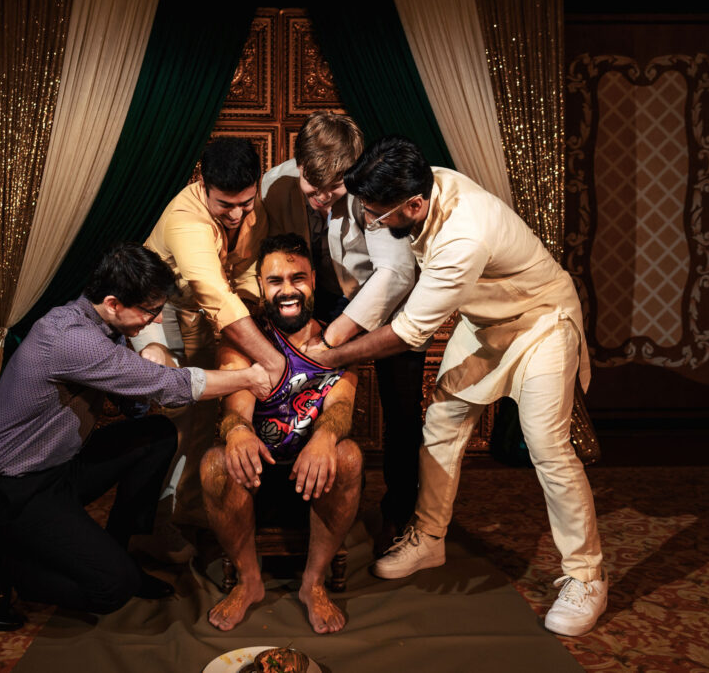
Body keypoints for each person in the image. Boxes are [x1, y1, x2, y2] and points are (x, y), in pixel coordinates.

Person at [305, 136, 607, 637]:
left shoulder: (463, 237)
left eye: (379, 216)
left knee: (547, 445)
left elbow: (408, 334)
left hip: (541, 322)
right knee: (442, 420)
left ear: (414, 205)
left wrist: (332, 357)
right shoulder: (423, 181)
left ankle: (585, 576)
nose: (373, 223)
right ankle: (428, 536)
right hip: (486, 320)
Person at [0, 243, 270, 631]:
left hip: (57, 469)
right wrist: (248, 377)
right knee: (111, 589)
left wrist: (150, 358)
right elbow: (168, 387)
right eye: (149, 311)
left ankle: (123, 548)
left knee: (155, 435)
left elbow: (138, 403)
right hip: (8, 490)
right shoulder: (69, 337)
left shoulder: (101, 325)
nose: (154, 320)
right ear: (112, 302)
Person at [260, 112, 421, 550]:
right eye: (315, 190)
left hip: (388, 302)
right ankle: (299, 499)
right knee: (300, 391)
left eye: (337, 189)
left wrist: (335, 338)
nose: (325, 199)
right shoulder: (273, 185)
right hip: (319, 293)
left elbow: (398, 272)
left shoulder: (369, 185)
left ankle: (400, 512)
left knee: (402, 410)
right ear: (297, 168)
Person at [200, 233, 362, 634]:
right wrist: (237, 431)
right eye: (275, 280)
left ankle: (313, 584)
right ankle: (248, 581)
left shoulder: (336, 340)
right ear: (259, 286)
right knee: (215, 463)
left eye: (297, 278)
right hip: (257, 475)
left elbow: (341, 408)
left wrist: (325, 439)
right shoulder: (243, 340)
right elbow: (235, 409)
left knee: (349, 455)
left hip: (312, 477)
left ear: (312, 281)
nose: (287, 290)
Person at [135, 138, 284, 549]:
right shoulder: (186, 218)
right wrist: (270, 359)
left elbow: (248, 272)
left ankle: (188, 509)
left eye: (246, 203)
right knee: (175, 413)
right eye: (225, 205)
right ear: (202, 183)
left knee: (204, 416)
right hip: (156, 309)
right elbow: (214, 291)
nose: (237, 215)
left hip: (202, 315)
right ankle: (153, 524)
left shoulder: (253, 208)